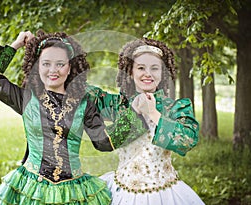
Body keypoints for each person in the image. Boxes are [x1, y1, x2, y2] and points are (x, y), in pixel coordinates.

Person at [0, 30, 147, 205]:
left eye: (60, 64)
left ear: (70, 68)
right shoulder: (25, 98)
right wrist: (17, 43)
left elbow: (104, 142)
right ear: (37, 66)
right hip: (31, 189)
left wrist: (135, 114)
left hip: (73, 191)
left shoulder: (85, 104)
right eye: (46, 64)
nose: (53, 70)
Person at [87, 38, 205, 204]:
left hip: (164, 193)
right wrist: (39, 54)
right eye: (141, 68)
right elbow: (82, 91)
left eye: (154, 68)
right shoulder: (118, 105)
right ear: (130, 71)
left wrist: (153, 113)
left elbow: (187, 141)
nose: (147, 74)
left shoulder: (174, 108)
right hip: (122, 192)